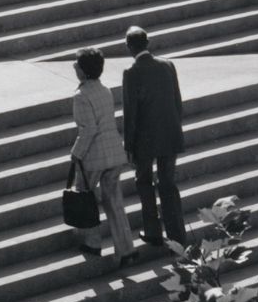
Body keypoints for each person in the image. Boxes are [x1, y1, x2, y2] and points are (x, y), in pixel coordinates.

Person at [69, 47, 137, 271]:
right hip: (114, 152)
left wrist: (76, 153)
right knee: (115, 202)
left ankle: (93, 243)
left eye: (77, 64)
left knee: (84, 195)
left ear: (84, 71)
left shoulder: (81, 96)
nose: (74, 67)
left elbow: (88, 130)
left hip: (94, 156)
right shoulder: (105, 90)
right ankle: (126, 249)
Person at [121, 25, 188, 249]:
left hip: (145, 141)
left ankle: (153, 231)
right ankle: (177, 236)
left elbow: (131, 113)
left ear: (128, 47)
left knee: (144, 183)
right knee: (168, 183)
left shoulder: (131, 72)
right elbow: (177, 102)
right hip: (169, 135)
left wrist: (128, 145)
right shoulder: (168, 65)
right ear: (148, 43)